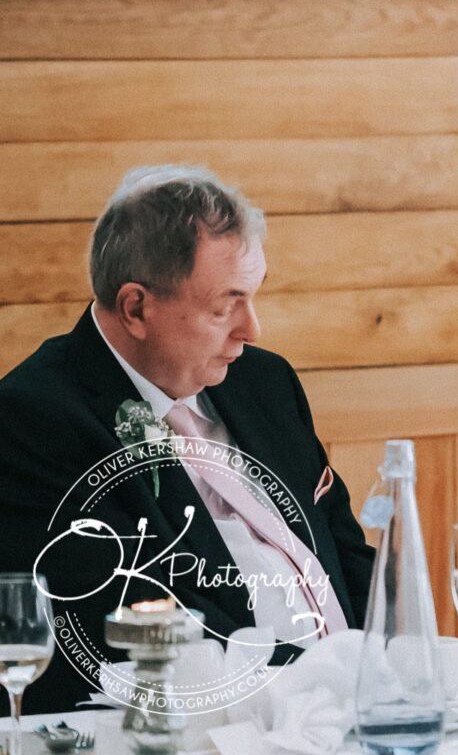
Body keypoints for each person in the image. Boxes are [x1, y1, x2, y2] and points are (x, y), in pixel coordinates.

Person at [0, 166, 374, 712]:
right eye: (224, 307)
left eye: (253, 296)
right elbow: (134, 622)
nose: (252, 329)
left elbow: (343, 547)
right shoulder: (36, 420)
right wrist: (323, 686)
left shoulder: (265, 383)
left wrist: (394, 663)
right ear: (136, 308)